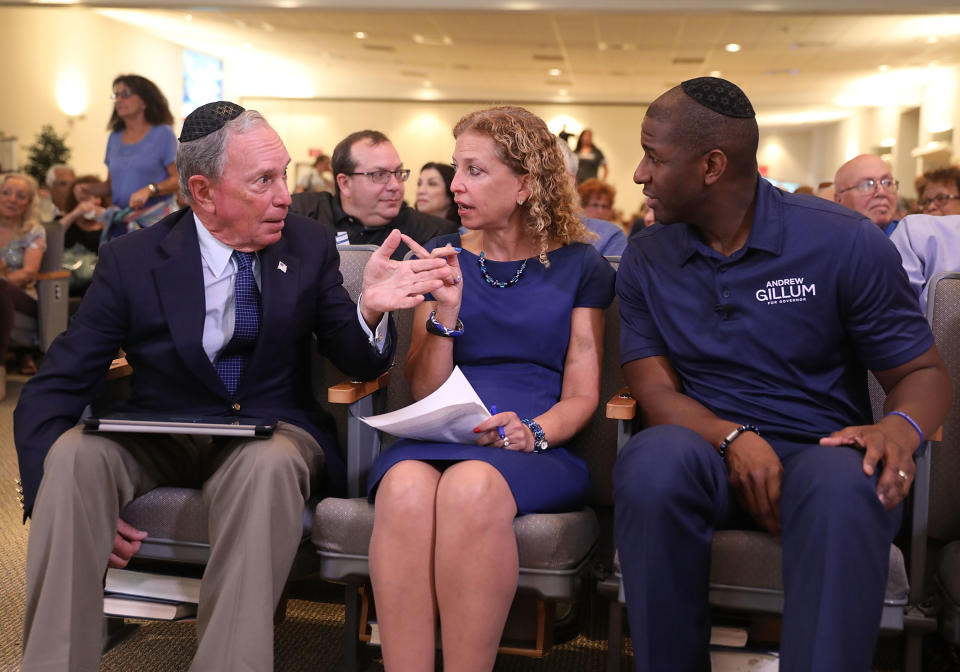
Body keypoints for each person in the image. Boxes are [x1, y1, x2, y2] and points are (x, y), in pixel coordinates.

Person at [14, 101, 456, 672]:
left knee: (266, 467)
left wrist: (369, 308)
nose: (283, 196)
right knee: (73, 457)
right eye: (263, 181)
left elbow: (353, 358)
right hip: (161, 428)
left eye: (286, 175)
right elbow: (55, 385)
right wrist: (56, 494)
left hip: (270, 432)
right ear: (203, 190)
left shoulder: (309, 244)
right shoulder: (133, 259)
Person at [614, 77, 950, 672]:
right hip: (705, 452)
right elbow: (653, 390)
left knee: (848, 485)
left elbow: (920, 372)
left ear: (711, 165)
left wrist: (900, 429)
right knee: (651, 460)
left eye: (655, 156)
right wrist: (732, 437)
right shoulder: (647, 253)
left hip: (819, 451)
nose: (639, 173)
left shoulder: (843, 241)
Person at [366, 106, 615, 672]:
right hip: (444, 432)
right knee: (403, 487)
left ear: (526, 183)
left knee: (472, 487)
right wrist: (446, 315)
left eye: (474, 171)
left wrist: (532, 432)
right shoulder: (444, 256)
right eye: (456, 169)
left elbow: (581, 394)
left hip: (530, 442)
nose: (455, 185)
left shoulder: (581, 266)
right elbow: (424, 386)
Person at [289, 130, 457, 260]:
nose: (395, 186)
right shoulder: (301, 215)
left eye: (398, 172)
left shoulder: (433, 233)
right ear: (345, 183)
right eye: (379, 175)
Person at [80, 74, 179, 218]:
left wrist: (150, 189)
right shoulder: (114, 137)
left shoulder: (163, 133)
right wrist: (88, 189)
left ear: (144, 101)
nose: (119, 100)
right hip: (121, 220)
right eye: (116, 95)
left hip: (154, 221)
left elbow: (178, 179)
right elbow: (111, 186)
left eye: (125, 94)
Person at [0, 173, 46, 397]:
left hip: (24, 298)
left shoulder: (33, 231)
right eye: (6, 193)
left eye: (21, 196)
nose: (12, 199)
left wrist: (3, 276)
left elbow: (29, 272)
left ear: (28, 203)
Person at [557, 139, 626, 256]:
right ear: (582, 205)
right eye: (595, 205)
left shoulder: (611, 237)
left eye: (605, 206)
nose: (600, 211)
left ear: (570, 181)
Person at [890, 213, 960, 313]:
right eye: (925, 202)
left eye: (942, 197)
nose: (931, 206)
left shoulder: (915, 227)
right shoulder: (916, 230)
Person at [834, 154, 900, 235]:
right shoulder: (827, 243)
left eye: (887, 183)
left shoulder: (913, 241)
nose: (881, 192)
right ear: (839, 200)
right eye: (867, 185)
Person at [415, 161, 460, 227]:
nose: (420, 191)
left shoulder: (464, 234)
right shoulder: (408, 229)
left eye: (432, 184)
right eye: (419, 184)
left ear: (451, 191)